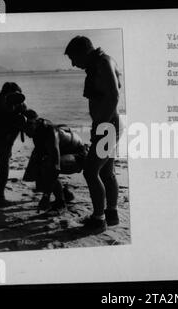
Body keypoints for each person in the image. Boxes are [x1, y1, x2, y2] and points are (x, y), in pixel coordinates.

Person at [64, 36, 122, 233]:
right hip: (108, 124)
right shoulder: (99, 63)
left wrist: (101, 125)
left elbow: (114, 96)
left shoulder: (104, 62)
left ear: (84, 52)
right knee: (106, 171)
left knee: (91, 172)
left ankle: (99, 219)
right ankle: (111, 215)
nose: (73, 63)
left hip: (107, 126)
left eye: (74, 58)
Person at [22, 109, 89, 213]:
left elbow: (55, 166)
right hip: (66, 152)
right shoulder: (38, 130)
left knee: (48, 166)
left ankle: (60, 203)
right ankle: (65, 194)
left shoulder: (50, 132)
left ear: (34, 123)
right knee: (38, 161)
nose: (25, 133)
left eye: (26, 129)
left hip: (80, 156)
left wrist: (46, 196)